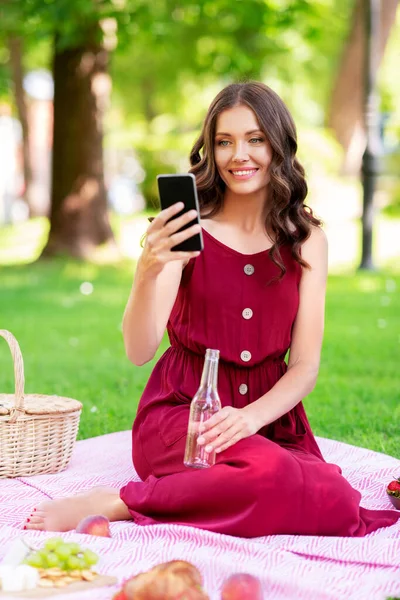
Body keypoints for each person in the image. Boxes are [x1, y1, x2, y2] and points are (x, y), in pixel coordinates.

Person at [25, 82, 400, 536]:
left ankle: (203, 488)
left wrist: (250, 418)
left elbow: (304, 366)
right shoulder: (187, 230)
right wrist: (148, 269)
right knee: (278, 479)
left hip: (268, 421)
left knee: (336, 498)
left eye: (254, 139)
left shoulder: (307, 242)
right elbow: (139, 349)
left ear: (277, 144)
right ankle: (122, 501)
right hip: (183, 415)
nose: (239, 155)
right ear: (211, 150)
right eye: (224, 142)